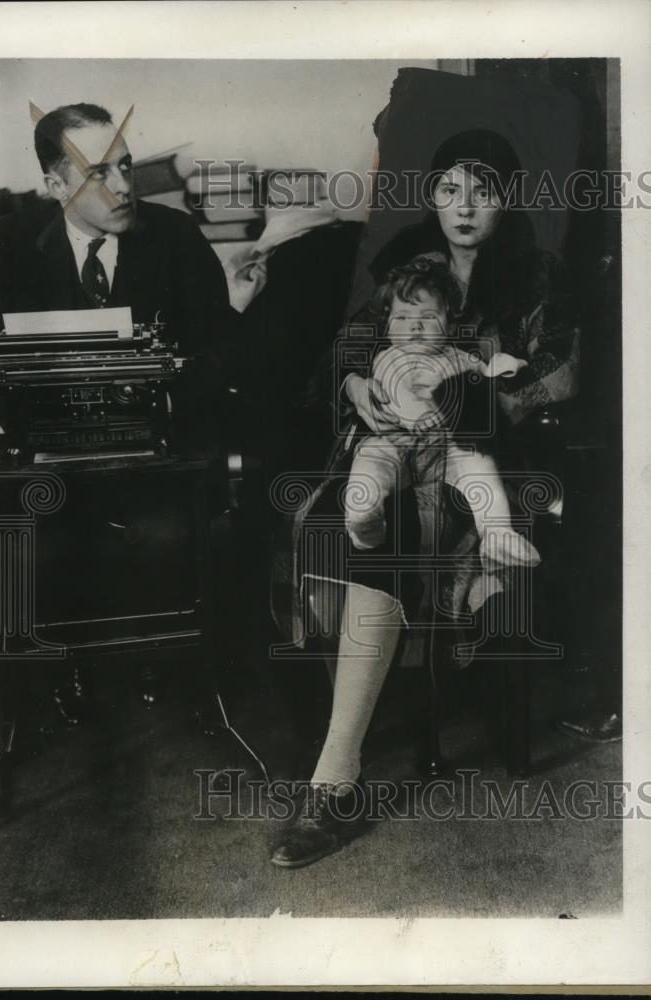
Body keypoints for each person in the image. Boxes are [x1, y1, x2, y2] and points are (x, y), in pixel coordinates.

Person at [269, 129, 580, 869]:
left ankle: (333, 780)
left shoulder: (537, 271)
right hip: (394, 456)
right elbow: (345, 348)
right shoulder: (405, 260)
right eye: (449, 189)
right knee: (360, 518)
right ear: (431, 195)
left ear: (505, 198)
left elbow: (560, 376)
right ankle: (337, 770)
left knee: (427, 517)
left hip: (489, 458)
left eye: (483, 191)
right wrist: (354, 386)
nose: (464, 206)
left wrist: (463, 405)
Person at [0, 102, 243, 447]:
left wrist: (164, 406)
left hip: (163, 443)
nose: (123, 186)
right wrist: (44, 424)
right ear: (57, 186)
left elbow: (223, 344)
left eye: (125, 166)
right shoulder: (7, 242)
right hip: (52, 450)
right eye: (98, 173)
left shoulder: (176, 233)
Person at [344, 256, 539, 570]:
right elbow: (395, 391)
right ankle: (364, 518)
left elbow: (489, 381)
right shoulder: (385, 359)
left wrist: (508, 365)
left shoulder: (462, 359)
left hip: (449, 449)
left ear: (449, 323)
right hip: (395, 442)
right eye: (404, 317)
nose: (416, 325)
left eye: (428, 316)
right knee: (369, 464)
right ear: (387, 324)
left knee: (482, 467)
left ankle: (497, 533)